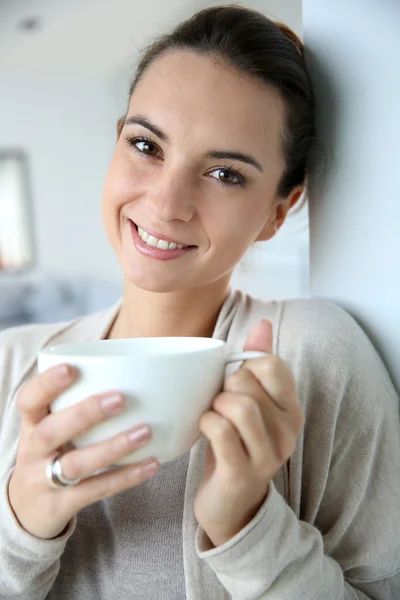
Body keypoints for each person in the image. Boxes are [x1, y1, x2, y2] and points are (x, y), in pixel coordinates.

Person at [0, 5, 399, 599]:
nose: (167, 203)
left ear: (277, 212)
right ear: (116, 143)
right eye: (146, 145)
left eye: (226, 174)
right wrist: (20, 528)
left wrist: (246, 526)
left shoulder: (316, 356)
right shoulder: (11, 363)